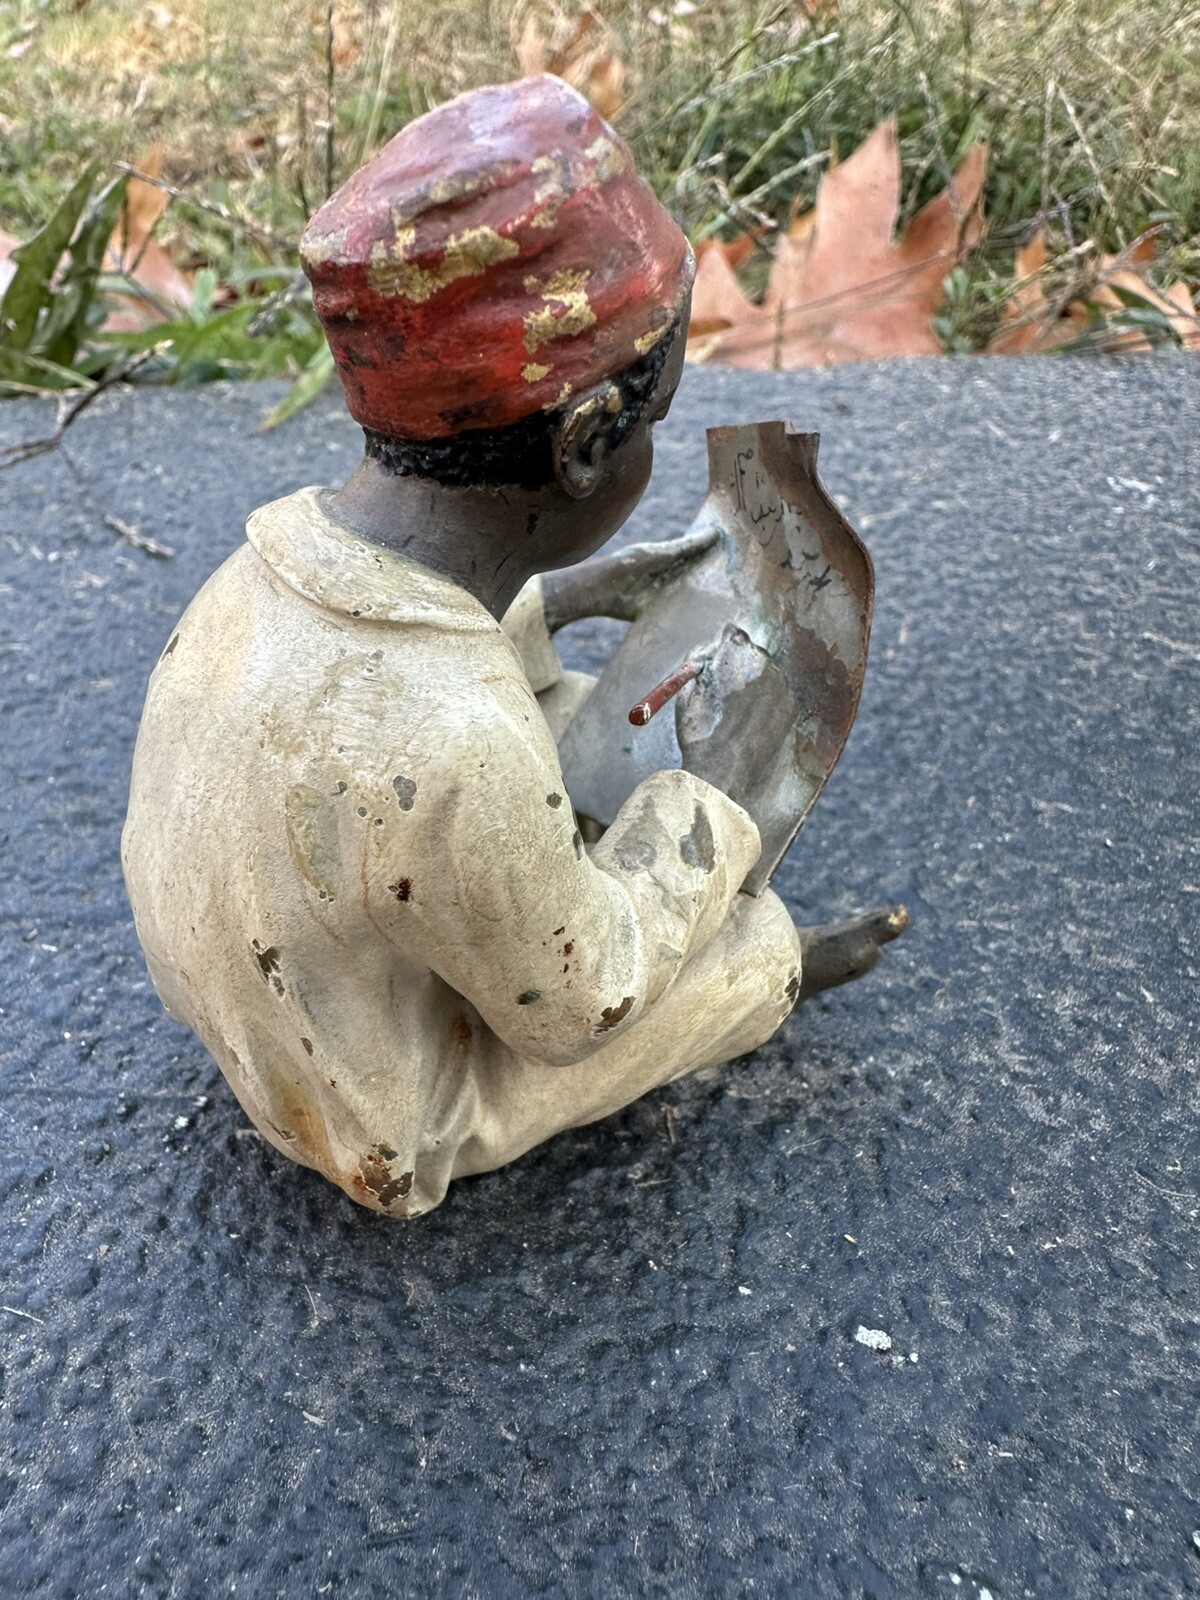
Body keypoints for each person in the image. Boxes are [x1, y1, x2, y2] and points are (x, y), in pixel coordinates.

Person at [122, 76, 902, 1218]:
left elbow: (395, 709)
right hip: (375, 1102)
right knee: (723, 948)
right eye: (659, 418)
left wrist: (575, 590)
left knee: (569, 716)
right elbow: (578, 1002)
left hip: (262, 972)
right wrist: (714, 806)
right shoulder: (454, 740)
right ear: (588, 443)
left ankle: (553, 873)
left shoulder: (260, 570)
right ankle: (779, 967)